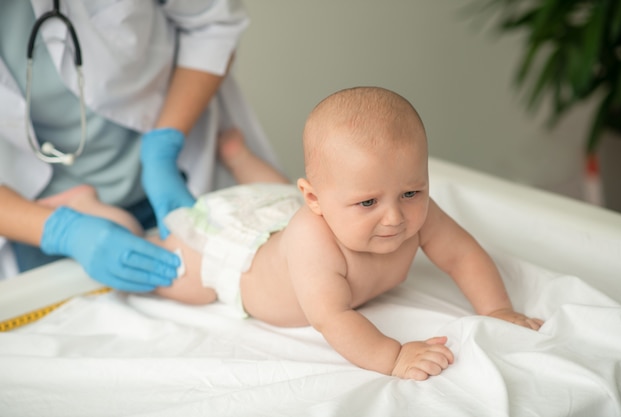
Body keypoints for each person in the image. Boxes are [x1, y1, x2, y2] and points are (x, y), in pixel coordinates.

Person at [45, 87, 544, 381]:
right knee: (166, 267)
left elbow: (462, 255)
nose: (394, 217)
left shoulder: (409, 209)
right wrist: (393, 355)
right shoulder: (313, 237)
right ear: (317, 202)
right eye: (369, 203)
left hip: (274, 211)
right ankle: (92, 211)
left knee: (271, 195)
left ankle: (238, 157)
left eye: (411, 192)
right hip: (232, 257)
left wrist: (497, 309)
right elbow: (332, 316)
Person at [0, 1, 280, 292]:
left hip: (171, 160)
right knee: (190, 278)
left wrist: (163, 147)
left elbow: (212, 23)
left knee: (185, 268)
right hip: (33, 203)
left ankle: (85, 203)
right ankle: (80, 207)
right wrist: (64, 231)